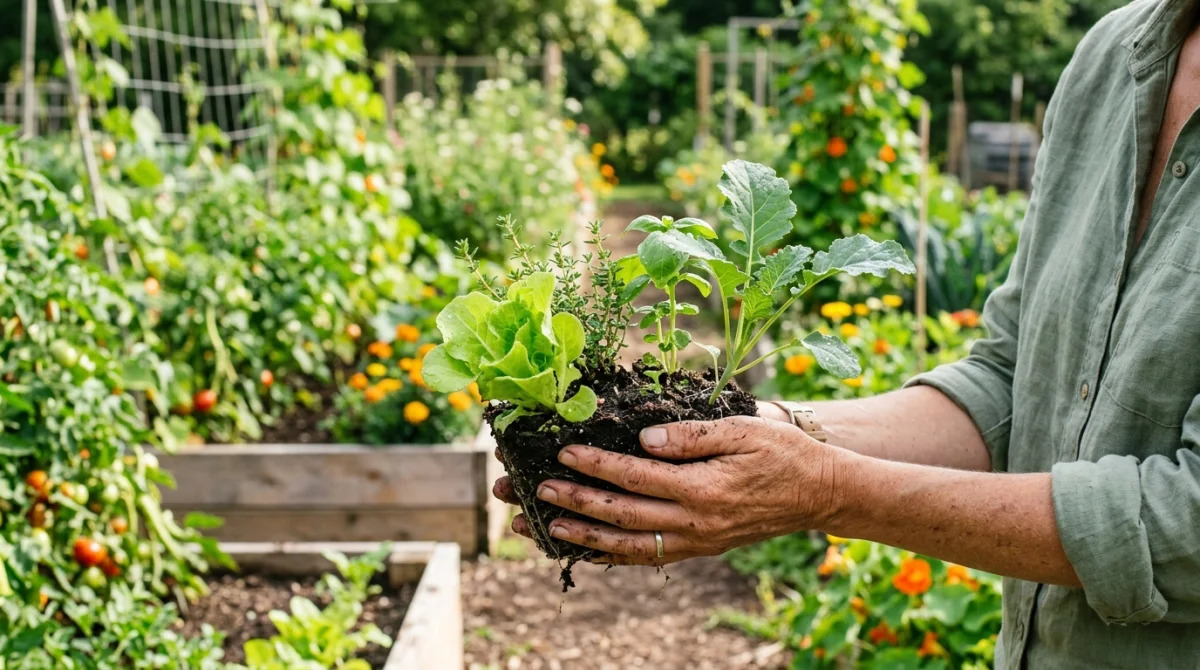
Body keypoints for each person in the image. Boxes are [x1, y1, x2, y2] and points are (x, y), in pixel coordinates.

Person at [492, 1, 1200, 668]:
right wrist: (758, 430)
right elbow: (1011, 382)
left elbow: (1185, 524)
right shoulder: (1115, 56)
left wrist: (825, 490)